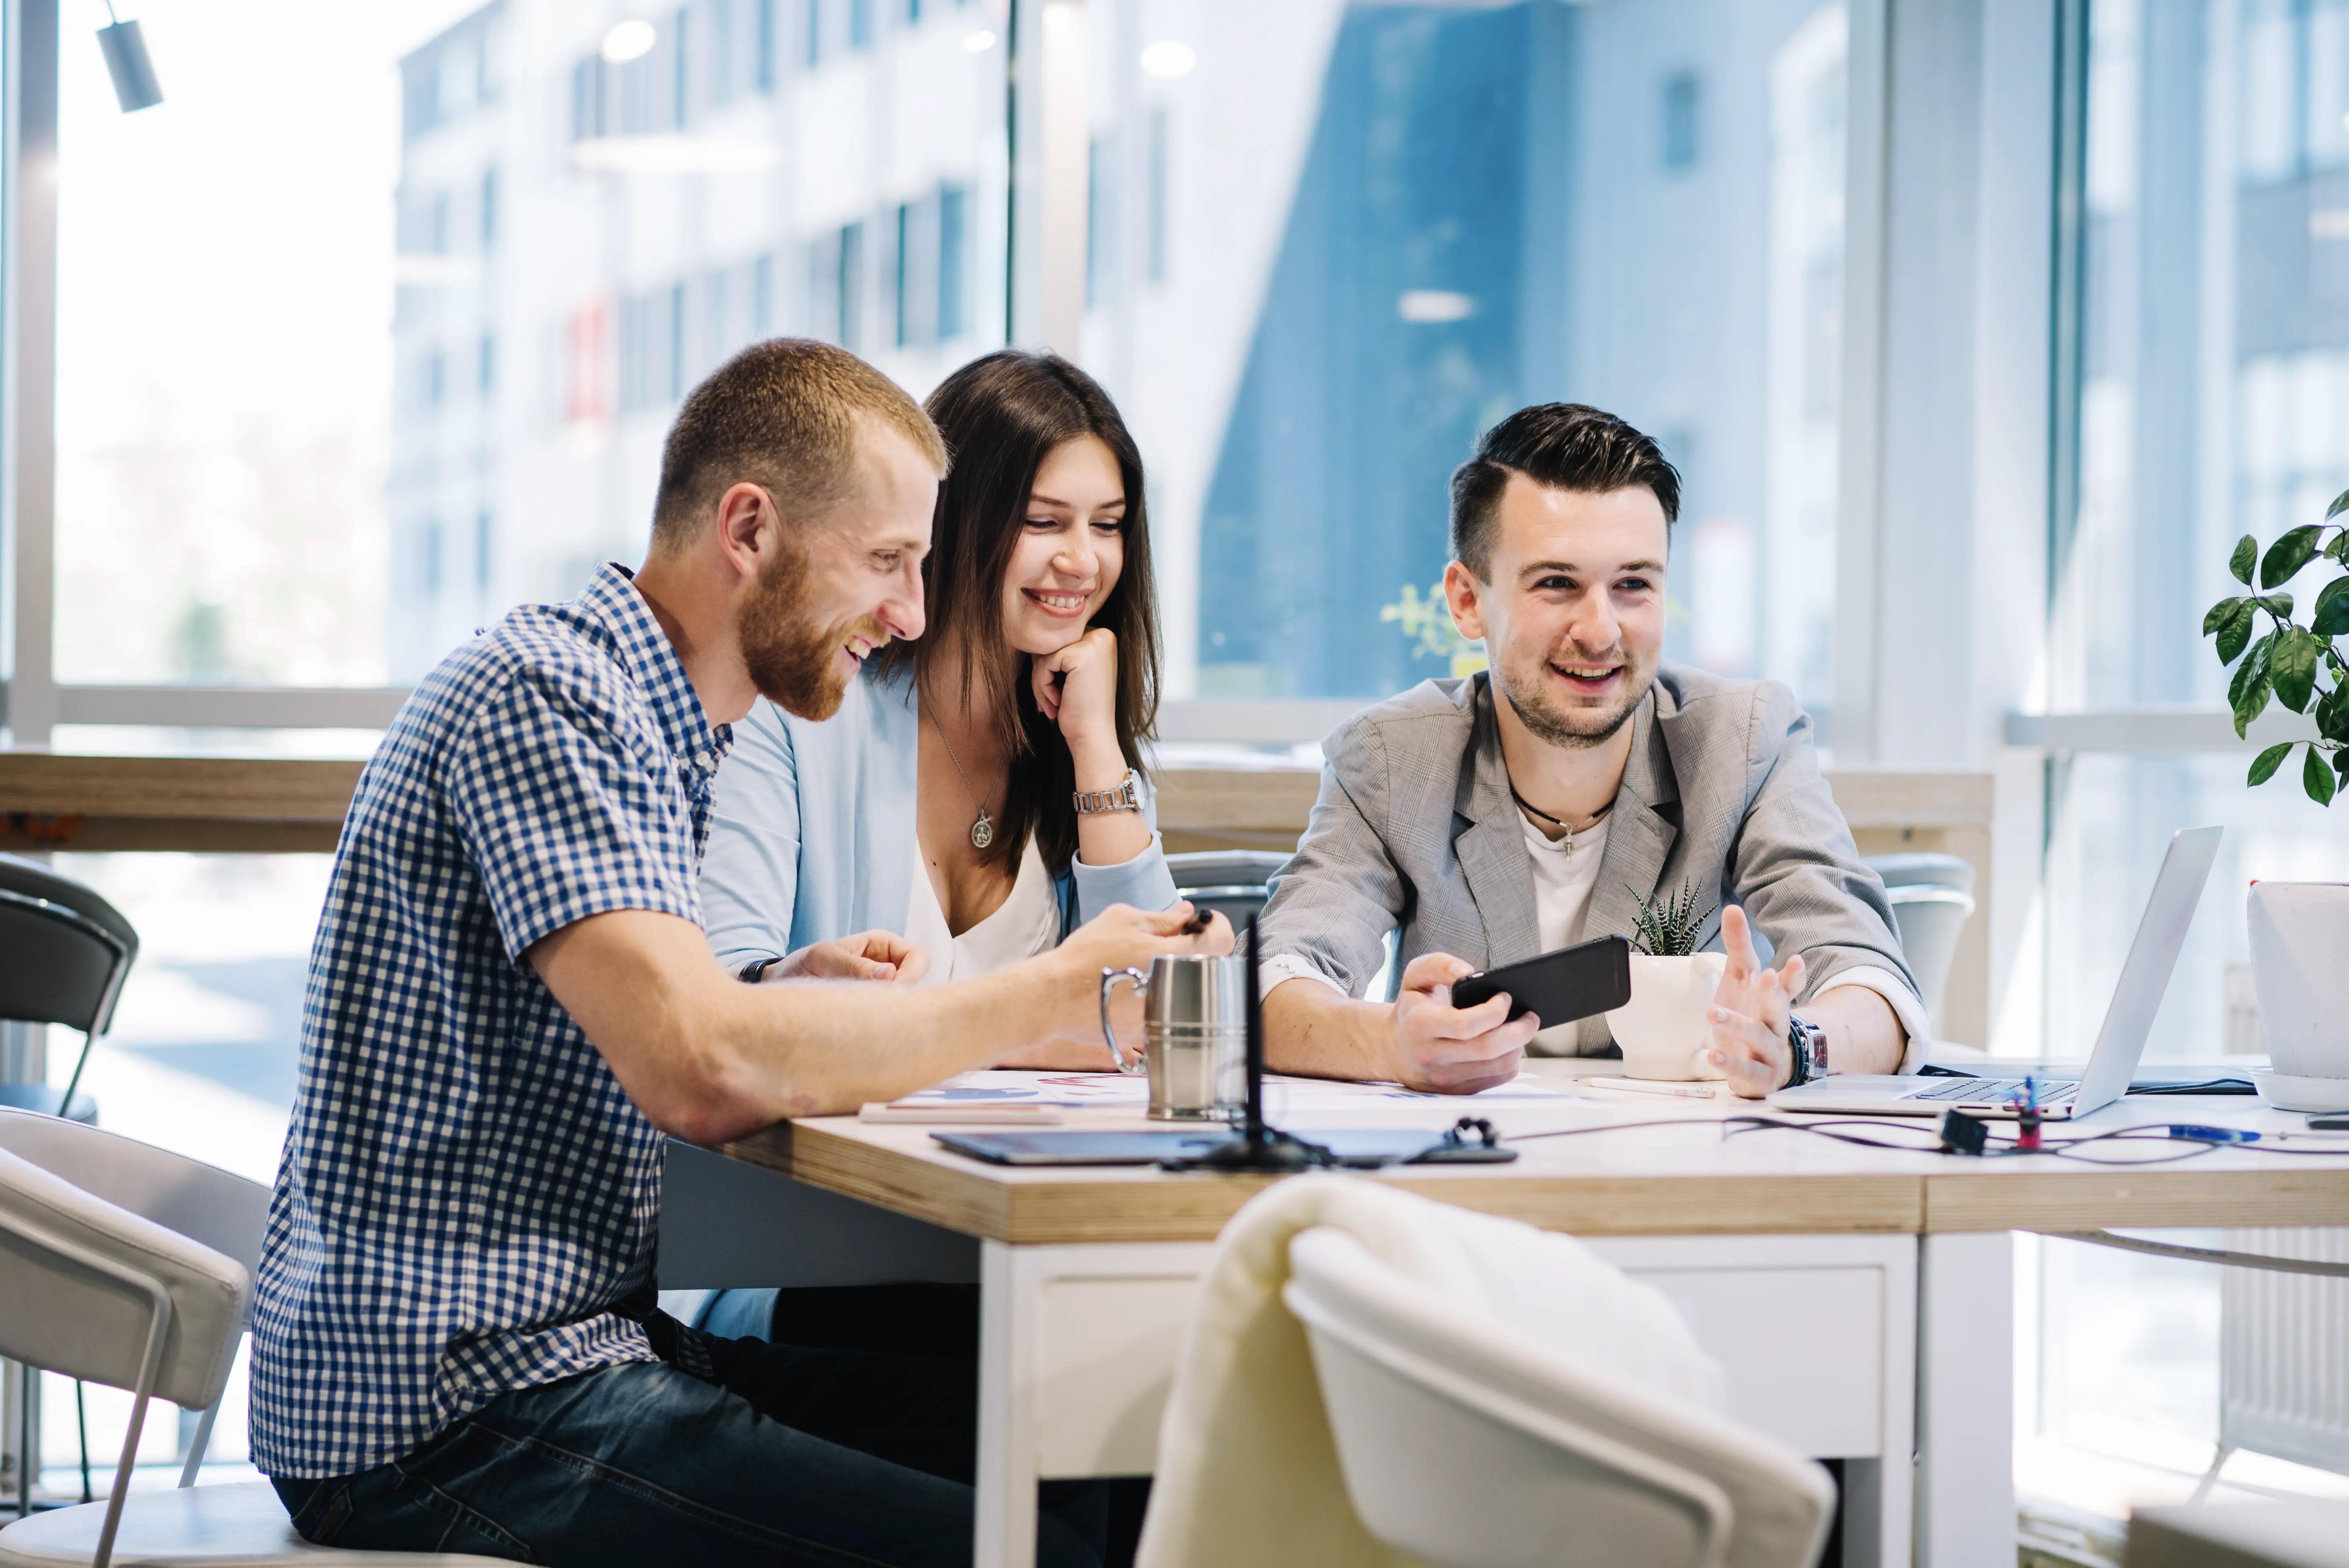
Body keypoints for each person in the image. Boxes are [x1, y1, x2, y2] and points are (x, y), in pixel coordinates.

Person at [249, 338, 1227, 1568]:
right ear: (750, 530)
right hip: (448, 1403)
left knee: (1110, 1451)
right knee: (1032, 1542)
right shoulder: (553, 695)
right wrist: (1043, 987)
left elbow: (692, 1005)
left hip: (577, 1345)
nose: (912, 612)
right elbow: (698, 1069)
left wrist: (778, 993)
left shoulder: (670, 727)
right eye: (886, 562)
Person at [1256, 402, 1925, 1098]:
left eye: (1633, 584)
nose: (1600, 631)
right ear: (1466, 600)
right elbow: (1276, 980)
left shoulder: (1745, 741)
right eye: (1556, 584)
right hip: (1468, 1170)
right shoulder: (1392, 759)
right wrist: (1387, 1042)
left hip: (1683, 1172)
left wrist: (1793, 1043)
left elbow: (1869, 979)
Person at [701, 349, 1175, 1040]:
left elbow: (1153, 1017)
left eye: (1106, 525)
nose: (1083, 560)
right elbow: (726, 989)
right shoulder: (794, 713)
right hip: (833, 1147)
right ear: (944, 522)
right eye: (1043, 522)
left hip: (1026, 1150)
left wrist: (1097, 747)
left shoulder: (1085, 742)